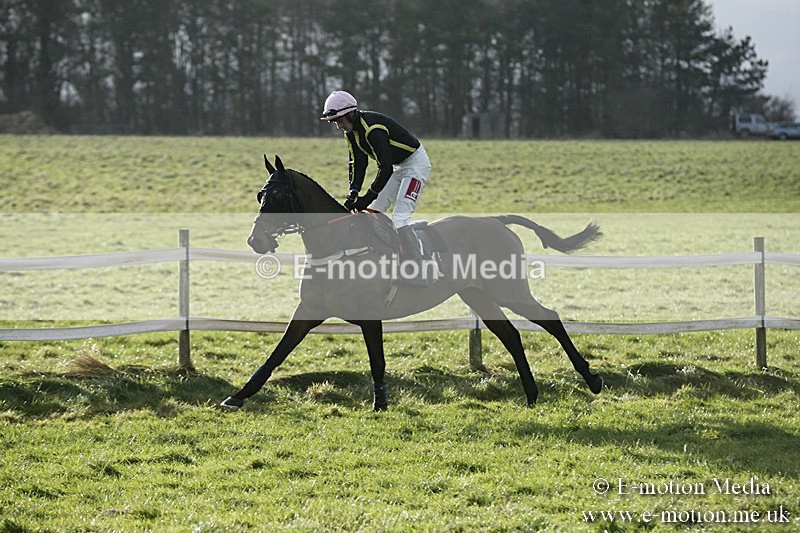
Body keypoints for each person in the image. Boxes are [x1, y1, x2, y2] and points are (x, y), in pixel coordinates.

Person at [321, 90, 432, 285]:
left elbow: (385, 167)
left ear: (352, 113)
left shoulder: (374, 129)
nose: (338, 125)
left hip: (415, 164)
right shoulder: (351, 133)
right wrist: (353, 193)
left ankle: (419, 269)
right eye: (334, 122)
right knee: (373, 211)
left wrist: (369, 194)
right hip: (398, 167)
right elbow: (358, 164)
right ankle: (388, 255)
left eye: (339, 120)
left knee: (399, 218)